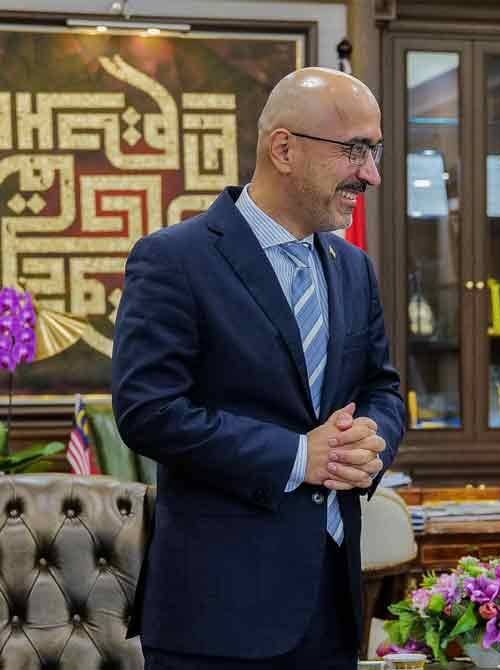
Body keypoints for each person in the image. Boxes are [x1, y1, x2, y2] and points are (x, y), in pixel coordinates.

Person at [112, 67, 405, 669]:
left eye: (375, 152)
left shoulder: (353, 268)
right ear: (284, 148)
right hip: (217, 616)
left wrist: (372, 439)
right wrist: (300, 455)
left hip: (331, 604)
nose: (371, 174)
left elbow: (383, 387)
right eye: (356, 151)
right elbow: (149, 411)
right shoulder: (174, 260)